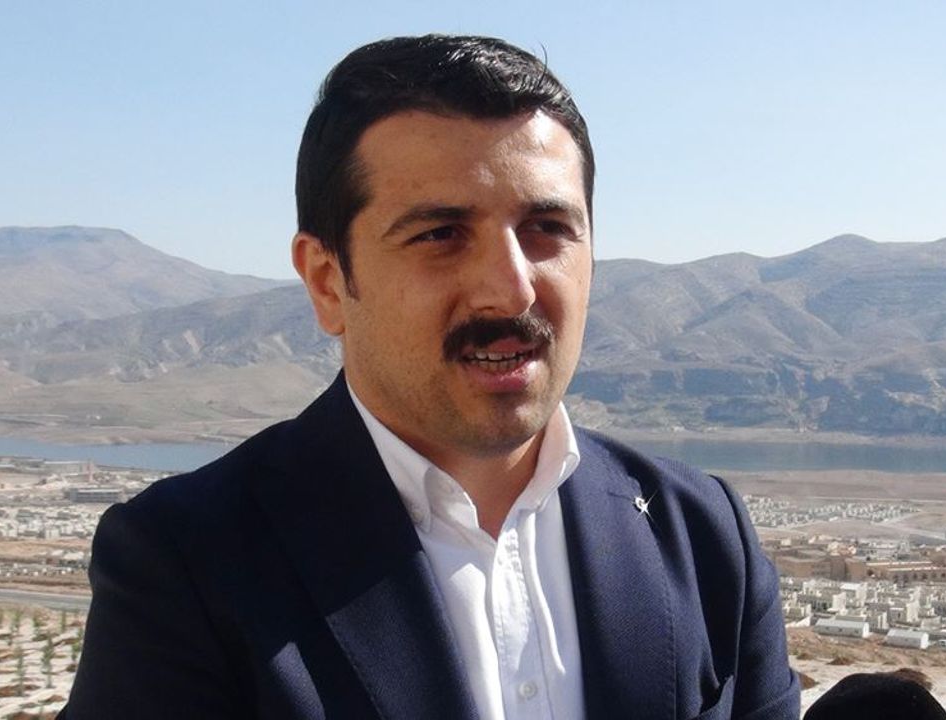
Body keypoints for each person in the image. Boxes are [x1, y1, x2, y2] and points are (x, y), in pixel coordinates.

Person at [60, 34, 801, 719]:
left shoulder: (701, 535)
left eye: (546, 229)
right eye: (441, 234)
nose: (510, 290)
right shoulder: (188, 564)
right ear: (326, 281)